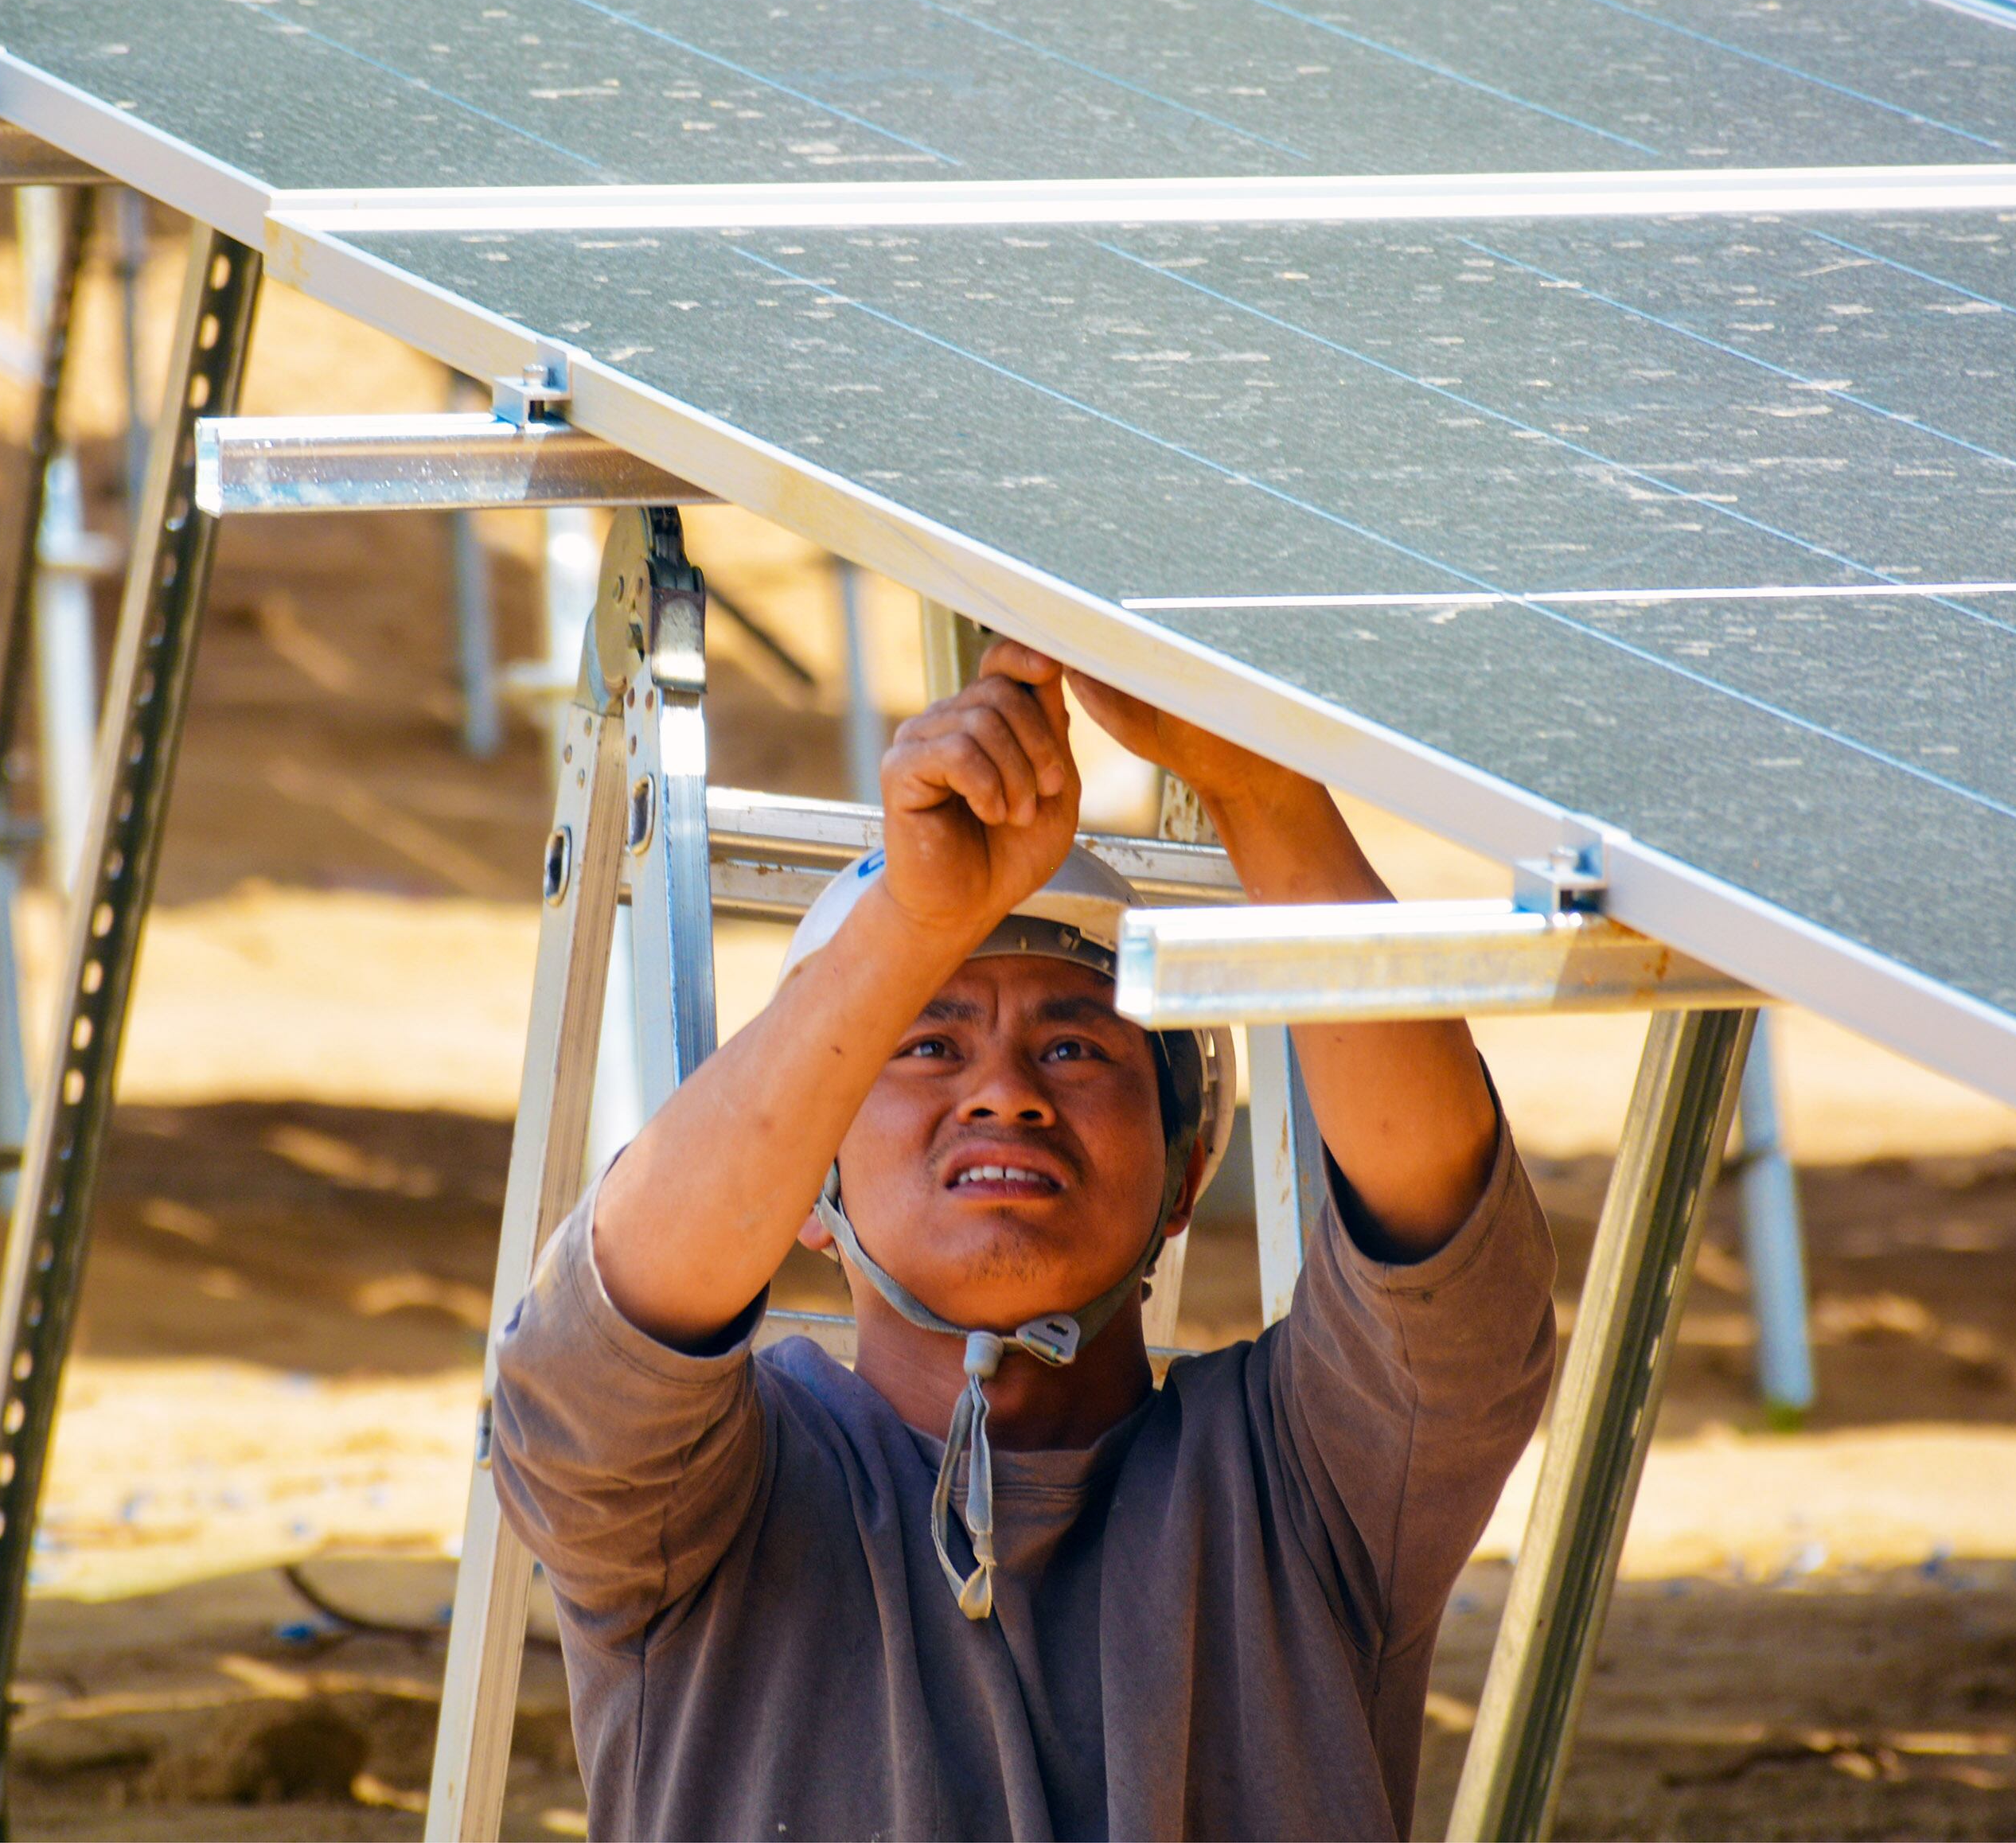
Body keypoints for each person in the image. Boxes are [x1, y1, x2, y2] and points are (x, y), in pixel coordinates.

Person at [489, 637, 1557, 1839]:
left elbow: (1450, 1272)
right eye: (932, 1047)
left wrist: (1265, 793)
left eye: (1074, 1046)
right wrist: (912, 919)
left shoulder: (1302, 1489)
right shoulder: (701, 1508)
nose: (1005, 1093)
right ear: (808, 1183)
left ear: (1185, 1171)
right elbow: (587, 1371)